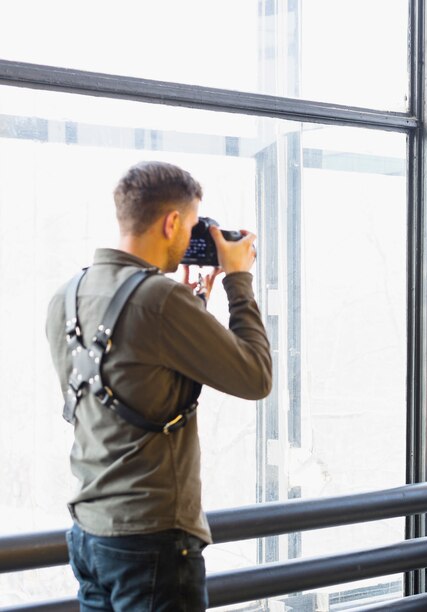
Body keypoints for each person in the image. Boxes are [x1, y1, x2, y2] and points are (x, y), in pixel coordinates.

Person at [46, 161, 272, 611]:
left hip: (90, 534)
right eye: (191, 226)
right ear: (171, 222)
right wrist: (239, 282)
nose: (191, 239)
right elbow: (255, 376)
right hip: (152, 539)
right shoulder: (161, 300)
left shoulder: (67, 295)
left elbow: (130, 381)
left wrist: (195, 308)